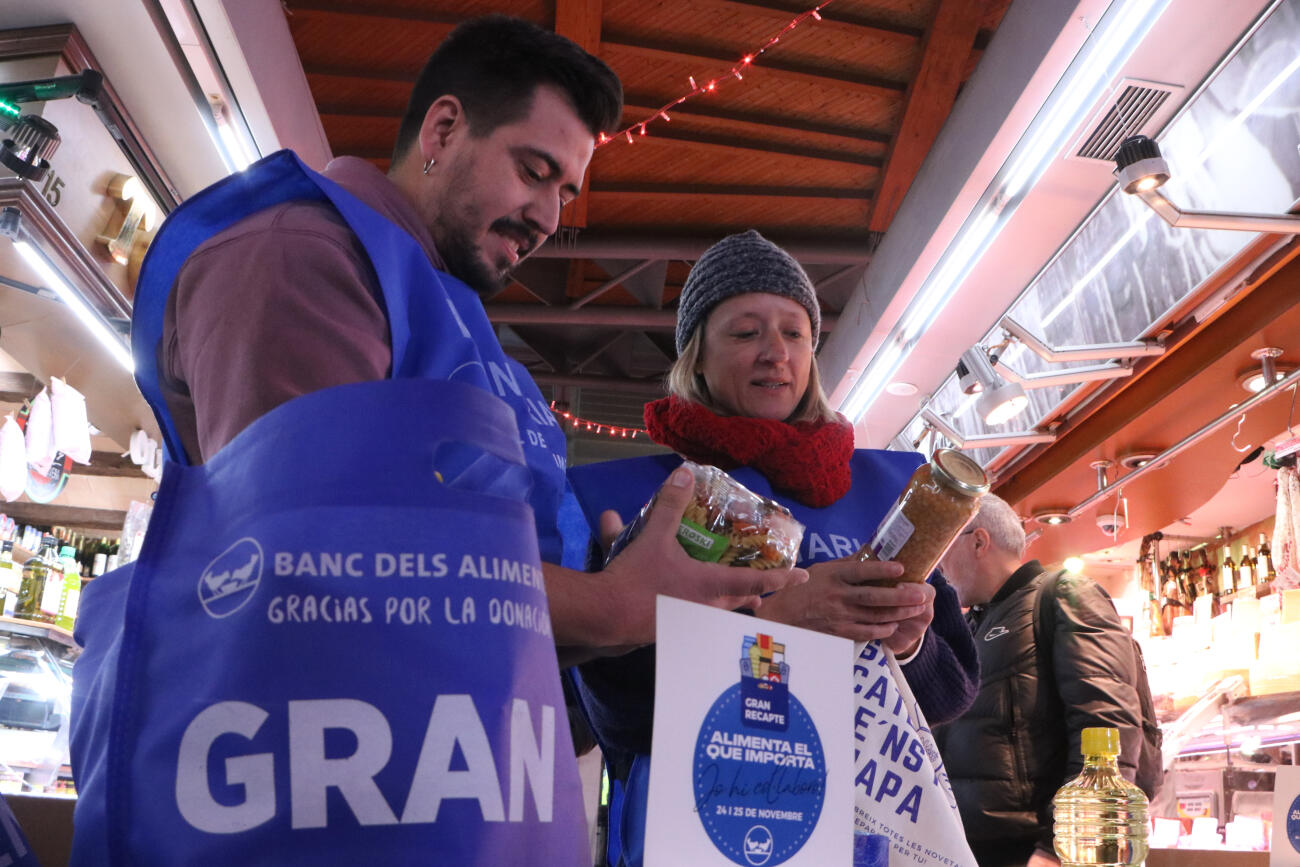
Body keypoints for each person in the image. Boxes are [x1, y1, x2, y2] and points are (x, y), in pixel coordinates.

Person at [70, 18, 803, 864]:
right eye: (535, 171)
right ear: (445, 128)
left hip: (437, 788)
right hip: (311, 803)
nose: (549, 216)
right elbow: (317, 564)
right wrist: (611, 604)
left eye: (566, 190)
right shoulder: (302, 257)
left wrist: (623, 582)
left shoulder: (455, 324)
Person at [566, 230, 980, 867]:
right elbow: (617, 718)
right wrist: (773, 628)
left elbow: (951, 694)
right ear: (695, 357)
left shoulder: (894, 495)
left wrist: (908, 646)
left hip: (863, 841)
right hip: (697, 836)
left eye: (794, 333)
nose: (774, 353)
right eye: (745, 332)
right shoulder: (641, 500)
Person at [933, 494, 1159, 867]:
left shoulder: (1063, 595)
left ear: (978, 541)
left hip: (1031, 850)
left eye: (944, 544)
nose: (938, 563)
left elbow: (1107, 723)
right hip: (970, 849)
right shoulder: (973, 624)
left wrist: (1058, 849)